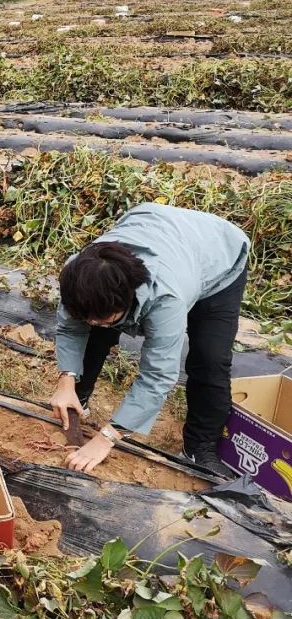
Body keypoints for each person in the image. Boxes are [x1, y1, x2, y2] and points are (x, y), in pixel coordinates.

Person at [52, 203, 250, 477]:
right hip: (157, 226)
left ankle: (199, 447)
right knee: (95, 332)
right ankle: (77, 399)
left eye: (105, 317)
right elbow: (71, 329)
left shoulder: (165, 298)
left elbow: (157, 377)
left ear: (128, 298)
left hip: (217, 257)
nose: (93, 322)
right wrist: (66, 381)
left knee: (210, 358)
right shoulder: (79, 276)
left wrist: (106, 439)